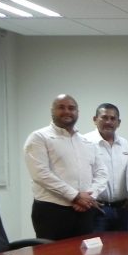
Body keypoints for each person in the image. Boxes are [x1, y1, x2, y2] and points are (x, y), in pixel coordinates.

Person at [24, 94, 107, 240]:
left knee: (85, 253)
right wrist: (75, 196)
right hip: (52, 211)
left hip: (85, 210)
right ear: (52, 111)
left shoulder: (87, 142)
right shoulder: (39, 137)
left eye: (71, 108)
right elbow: (40, 174)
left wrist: (89, 197)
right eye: (61, 107)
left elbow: (102, 173)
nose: (67, 111)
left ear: (77, 112)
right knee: (53, 254)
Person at [82, 103, 128, 232]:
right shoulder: (84, 142)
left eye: (112, 118)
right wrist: (88, 199)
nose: (108, 122)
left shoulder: (126, 145)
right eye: (104, 117)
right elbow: (79, 174)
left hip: (122, 209)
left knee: (123, 244)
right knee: (97, 244)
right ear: (95, 119)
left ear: (118, 122)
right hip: (97, 208)